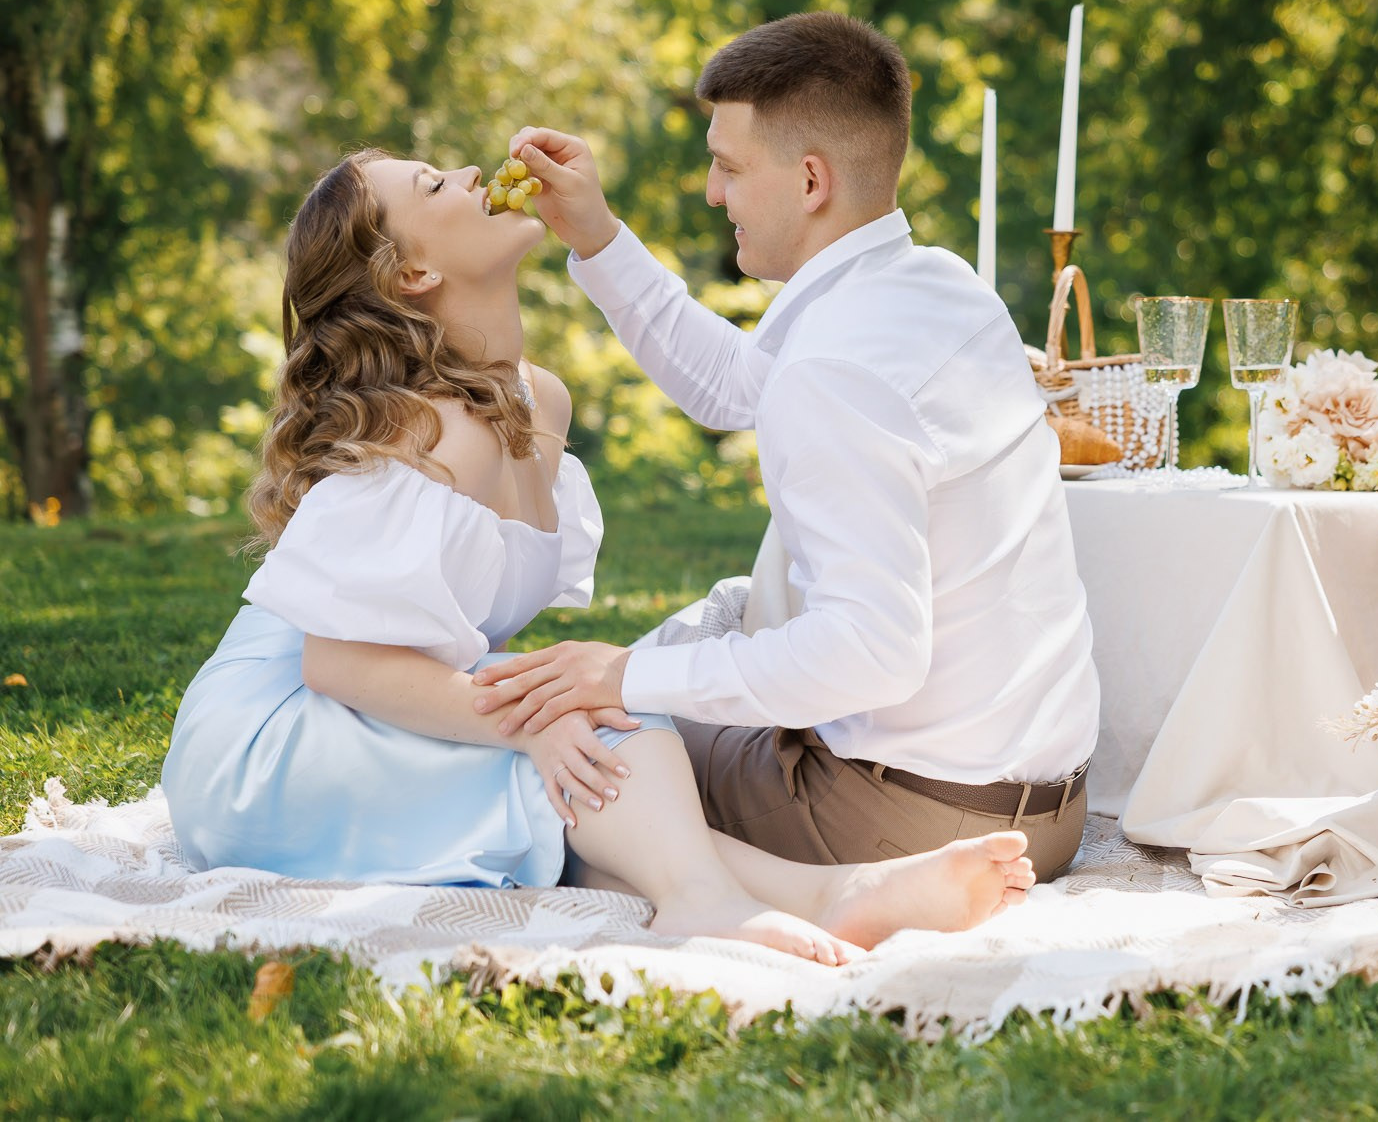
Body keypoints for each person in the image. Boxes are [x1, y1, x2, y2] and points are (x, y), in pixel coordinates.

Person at [160, 148, 1035, 966]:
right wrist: (531, 722)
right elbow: (335, 660)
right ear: (411, 274)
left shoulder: (537, 400)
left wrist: (541, 719)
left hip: (376, 702)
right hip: (270, 737)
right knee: (601, 715)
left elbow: (748, 387)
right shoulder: (424, 432)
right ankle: (709, 897)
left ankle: (833, 892)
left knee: (589, 742)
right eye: (432, 184)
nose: (468, 171)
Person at [471, 12, 1100, 877]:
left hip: (917, 820)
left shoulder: (834, 365)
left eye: (729, 167)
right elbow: (733, 383)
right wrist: (598, 236)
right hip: (1050, 811)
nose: (712, 193)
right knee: (647, 695)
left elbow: (870, 652)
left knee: (586, 744)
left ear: (810, 181)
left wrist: (621, 677)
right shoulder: (939, 287)